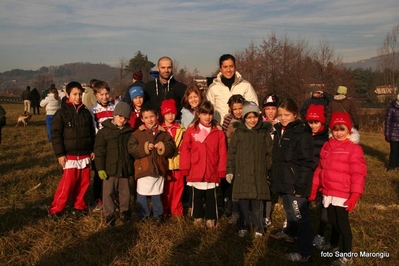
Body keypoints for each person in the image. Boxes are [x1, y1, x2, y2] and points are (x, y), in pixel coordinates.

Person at [309, 112, 367, 266]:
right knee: (332, 220)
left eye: (342, 129)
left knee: (342, 224)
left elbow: (358, 174)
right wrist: (314, 188)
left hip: (342, 193)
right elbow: (320, 169)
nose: (339, 133)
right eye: (335, 129)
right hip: (328, 191)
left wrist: (355, 194)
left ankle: (347, 255)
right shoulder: (328, 145)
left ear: (349, 130)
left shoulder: (354, 149)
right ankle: (334, 245)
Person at [269, 98, 314, 263]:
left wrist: (300, 186)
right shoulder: (279, 129)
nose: (283, 117)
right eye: (280, 114)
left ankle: (304, 252)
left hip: (296, 184)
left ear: (295, 114)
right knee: (290, 213)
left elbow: (307, 162)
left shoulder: (302, 133)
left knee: (301, 217)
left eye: (286, 114)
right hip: (284, 181)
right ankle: (289, 233)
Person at [48, 81, 96, 218]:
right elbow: (56, 135)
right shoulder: (61, 113)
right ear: (68, 95)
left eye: (80, 94)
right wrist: (60, 154)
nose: (78, 97)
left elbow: (91, 133)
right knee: (67, 184)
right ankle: (56, 209)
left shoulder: (86, 113)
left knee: (84, 183)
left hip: (85, 155)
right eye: (75, 94)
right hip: (70, 155)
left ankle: (79, 206)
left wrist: (92, 149)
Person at [226, 101, 273, 237]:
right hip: (242, 174)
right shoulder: (239, 133)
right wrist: (230, 170)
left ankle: (259, 227)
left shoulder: (263, 133)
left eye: (255, 116)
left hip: (259, 173)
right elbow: (232, 153)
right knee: (244, 203)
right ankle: (243, 226)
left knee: (258, 203)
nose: (252, 120)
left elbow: (269, 152)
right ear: (244, 118)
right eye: (249, 117)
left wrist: (268, 169)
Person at [180, 100, 227, 229]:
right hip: (195, 169)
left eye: (210, 114)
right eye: (204, 114)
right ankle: (197, 216)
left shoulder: (218, 132)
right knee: (197, 196)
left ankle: (211, 218)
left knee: (211, 196)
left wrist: (222, 169)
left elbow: (223, 152)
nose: (208, 117)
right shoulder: (191, 131)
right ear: (198, 114)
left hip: (211, 169)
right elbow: (185, 150)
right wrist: (185, 167)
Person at [128, 104, 176, 222]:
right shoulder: (137, 134)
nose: (150, 120)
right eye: (146, 117)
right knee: (142, 193)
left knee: (156, 192)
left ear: (157, 116)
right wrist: (144, 147)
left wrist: (163, 147)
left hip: (158, 167)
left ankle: (158, 215)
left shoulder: (163, 133)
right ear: (142, 119)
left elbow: (171, 147)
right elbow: (131, 148)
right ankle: (142, 214)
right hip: (143, 168)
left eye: (152, 116)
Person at [94, 102, 134, 226]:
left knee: (125, 192)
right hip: (109, 169)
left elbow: (131, 150)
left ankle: (124, 211)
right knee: (108, 192)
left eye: (126, 118)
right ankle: (109, 213)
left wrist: (131, 166)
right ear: (114, 115)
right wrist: (100, 168)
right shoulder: (104, 132)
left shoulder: (129, 132)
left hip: (124, 168)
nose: (123, 120)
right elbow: (99, 152)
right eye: (121, 117)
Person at [304, 104, 330, 249]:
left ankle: (320, 234)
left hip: (322, 178)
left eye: (316, 122)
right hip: (307, 177)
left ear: (322, 122)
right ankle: (301, 229)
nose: (313, 125)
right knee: (303, 204)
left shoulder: (327, 138)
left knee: (324, 207)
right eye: (310, 122)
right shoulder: (304, 135)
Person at [206, 54, 258, 124]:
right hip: (221, 129)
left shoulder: (246, 86)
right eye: (225, 67)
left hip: (242, 130)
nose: (228, 70)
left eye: (231, 66)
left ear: (235, 67)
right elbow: (208, 111)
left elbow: (254, 108)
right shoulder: (213, 88)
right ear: (220, 68)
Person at [89, 80, 116, 211]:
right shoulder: (92, 110)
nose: (104, 97)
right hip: (100, 146)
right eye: (101, 94)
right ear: (95, 95)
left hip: (113, 146)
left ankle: (112, 197)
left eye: (106, 94)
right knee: (99, 173)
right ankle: (98, 198)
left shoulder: (114, 107)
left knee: (113, 172)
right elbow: (93, 129)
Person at [221, 94, 245, 223]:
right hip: (230, 155)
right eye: (235, 109)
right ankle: (229, 205)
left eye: (240, 108)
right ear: (231, 109)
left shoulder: (247, 119)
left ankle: (242, 209)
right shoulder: (227, 121)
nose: (238, 112)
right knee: (230, 184)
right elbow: (223, 138)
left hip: (244, 157)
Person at [160, 99, 186, 217]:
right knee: (165, 189)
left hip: (178, 163)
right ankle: (164, 209)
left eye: (172, 113)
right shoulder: (160, 130)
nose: (170, 116)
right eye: (167, 113)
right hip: (165, 164)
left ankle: (177, 210)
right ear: (163, 114)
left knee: (178, 188)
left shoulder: (181, 129)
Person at [144, 56, 187, 121]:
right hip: (155, 125)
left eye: (169, 67)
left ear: (172, 68)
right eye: (163, 67)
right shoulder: (149, 87)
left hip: (175, 125)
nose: (166, 70)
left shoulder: (181, 87)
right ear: (158, 68)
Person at [260, 93, 280, 228]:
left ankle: (270, 213)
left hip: (277, 161)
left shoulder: (281, 123)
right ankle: (262, 214)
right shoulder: (260, 123)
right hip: (263, 160)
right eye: (268, 109)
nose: (270, 112)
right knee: (264, 187)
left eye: (273, 109)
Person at [384, 94, 399, 171]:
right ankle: (391, 166)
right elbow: (387, 122)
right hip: (393, 133)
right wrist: (387, 134)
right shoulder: (391, 109)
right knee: (394, 151)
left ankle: (397, 165)